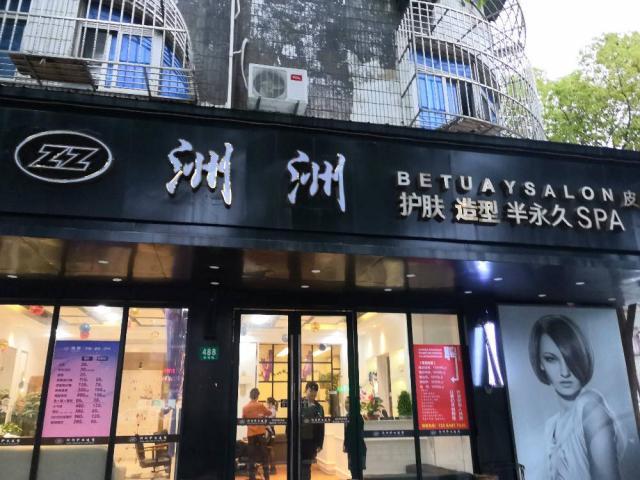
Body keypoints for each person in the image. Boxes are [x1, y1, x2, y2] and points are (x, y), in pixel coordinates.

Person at [528, 314, 621, 480]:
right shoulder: (551, 426)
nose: (565, 372)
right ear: (540, 363)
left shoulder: (590, 406)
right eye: (551, 359)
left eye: (570, 357)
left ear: (581, 356)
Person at [242, 388, 271, 480]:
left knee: (251, 457)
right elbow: (269, 413)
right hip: (261, 433)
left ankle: (252, 477)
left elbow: (243, 420)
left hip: (251, 434)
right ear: (258, 396)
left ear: (250, 396)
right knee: (264, 456)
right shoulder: (261, 405)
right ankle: (267, 477)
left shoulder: (245, 408)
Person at [301, 381, 324, 480]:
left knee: (306, 467)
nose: (313, 393)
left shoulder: (319, 408)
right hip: (298, 441)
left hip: (311, 442)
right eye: (311, 390)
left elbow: (321, 427)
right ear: (306, 390)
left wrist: (320, 444)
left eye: (315, 391)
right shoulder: (298, 404)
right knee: (298, 466)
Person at [343, 397, 366, 477]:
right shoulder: (347, 416)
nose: (346, 405)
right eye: (346, 402)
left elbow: (358, 434)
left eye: (348, 402)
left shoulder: (357, 417)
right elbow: (346, 433)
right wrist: (345, 445)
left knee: (357, 472)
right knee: (352, 471)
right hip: (351, 448)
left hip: (358, 448)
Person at [265, 397, 278, 474]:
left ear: (270, 403)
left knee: (270, 449)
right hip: (270, 431)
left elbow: (267, 421)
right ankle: (271, 468)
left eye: (267, 403)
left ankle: (273, 468)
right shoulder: (272, 410)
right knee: (269, 449)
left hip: (270, 431)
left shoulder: (272, 410)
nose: (266, 404)